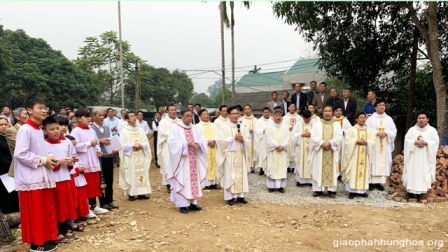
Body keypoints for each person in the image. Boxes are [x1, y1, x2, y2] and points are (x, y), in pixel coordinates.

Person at [14, 97, 58, 252]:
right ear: (29, 111)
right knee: (35, 211)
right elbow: (20, 154)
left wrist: (49, 157)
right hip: (31, 177)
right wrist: (43, 160)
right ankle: (36, 243)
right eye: (40, 108)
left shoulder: (38, 129)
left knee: (44, 209)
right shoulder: (26, 129)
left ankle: (44, 238)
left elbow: (37, 151)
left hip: (41, 174)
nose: (44, 110)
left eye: (45, 108)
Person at [43, 116, 78, 243]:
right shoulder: (44, 145)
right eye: (52, 129)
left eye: (57, 128)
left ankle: (64, 229)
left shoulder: (65, 143)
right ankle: (57, 232)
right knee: (56, 206)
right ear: (45, 131)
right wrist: (59, 162)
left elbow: (69, 158)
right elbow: (45, 164)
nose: (56, 131)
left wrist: (70, 162)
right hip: (53, 180)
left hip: (65, 177)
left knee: (65, 204)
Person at [167, 109, 207, 214]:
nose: (189, 118)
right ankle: (183, 205)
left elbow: (203, 140)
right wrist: (187, 144)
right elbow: (172, 144)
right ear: (182, 117)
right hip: (183, 161)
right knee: (183, 180)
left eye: (191, 116)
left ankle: (193, 203)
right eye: (187, 116)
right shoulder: (176, 129)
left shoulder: (195, 128)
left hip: (194, 160)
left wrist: (199, 144)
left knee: (193, 182)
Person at [71, 109, 108, 214]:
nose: (88, 118)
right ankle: (86, 207)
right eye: (85, 117)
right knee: (86, 185)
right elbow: (74, 146)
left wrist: (98, 150)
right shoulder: (76, 131)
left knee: (94, 183)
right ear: (78, 118)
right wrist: (88, 143)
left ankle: (94, 206)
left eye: (89, 116)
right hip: (84, 161)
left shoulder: (92, 130)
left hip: (93, 160)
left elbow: (96, 143)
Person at [216, 105, 251, 206]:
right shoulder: (225, 127)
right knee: (230, 175)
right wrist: (233, 138)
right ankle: (230, 197)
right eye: (234, 114)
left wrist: (243, 140)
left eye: (238, 113)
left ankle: (241, 196)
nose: (236, 115)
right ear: (229, 115)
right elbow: (221, 141)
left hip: (240, 153)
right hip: (230, 155)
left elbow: (248, 139)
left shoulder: (242, 126)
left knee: (241, 175)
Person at [402, 112, 439, 202]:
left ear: (427, 119)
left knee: (423, 172)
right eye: (419, 118)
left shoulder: (432, 130)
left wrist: (427, 143)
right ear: (417, 119)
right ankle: (410, 191)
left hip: (425, 156)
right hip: (413, 156)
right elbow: (407, 140)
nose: (421, 120)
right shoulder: (412, 130)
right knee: (411, 171)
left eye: (423, 118)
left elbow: (435, 142)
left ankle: (421, 193)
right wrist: (414, 142)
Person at [309, 105, 343, 198]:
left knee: (332, 169)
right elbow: (313, 136)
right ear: (322, 113)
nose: (327, 113)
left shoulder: (337, 125)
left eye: (329, 111)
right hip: (320, 151)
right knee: (318, 168)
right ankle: (317, 189)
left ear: (332, 113)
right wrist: (322, 143)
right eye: (325, 111)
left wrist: (330, 143)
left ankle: (331, 190)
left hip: (332, 150)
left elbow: (339, 137)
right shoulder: (317, 124)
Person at [119, 111, 152, 201]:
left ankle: (141, 193)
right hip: (130, 156)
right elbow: (121, 145)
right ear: (127, 119)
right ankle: (131, 193)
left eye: (134, 116)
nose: (134, 118)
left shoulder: (140, 130)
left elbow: (146, 142)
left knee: (141, 173)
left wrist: (142, 145)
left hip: (140, 155)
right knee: (131, 173)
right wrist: (133, 145)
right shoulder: (124, 132)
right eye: (131, 116)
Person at [342, 112, 375, 199]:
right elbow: (347, 141)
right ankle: (352, 191)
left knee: (363, 171)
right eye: (361, 117)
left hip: (364, 155)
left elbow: (373, 141)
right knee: (353, 171)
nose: (363, 119)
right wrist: (356, 141)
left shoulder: (369, 131)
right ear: (356, 119)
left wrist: (367, 142)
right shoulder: (351, 130)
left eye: (364, 117)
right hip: (354, 155)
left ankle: (362, 191)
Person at [365, 100, 397, 191]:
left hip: (385, 143)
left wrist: (386, 133)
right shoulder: (371, 119)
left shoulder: (389, 119)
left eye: (383, 105)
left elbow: (394, 131)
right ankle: (371, 182)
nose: (382, 106)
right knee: (373, 161)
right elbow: (367, 131)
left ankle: (379, 183)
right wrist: (377, 133)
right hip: (374, 144)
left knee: (383, 162)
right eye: (380, 105)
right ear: (376, 107)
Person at [90, 110, 119, 209]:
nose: (101, 117)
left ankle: (109, 200)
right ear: (94, 117)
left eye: (103, 115)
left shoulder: (107, 128)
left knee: (109, 179)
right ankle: (102, 202)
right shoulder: (91, 128)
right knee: (100, 180)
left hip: (108, 154)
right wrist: (99, 141)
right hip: (98, 156)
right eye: (99, 115)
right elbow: (91, 142)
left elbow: (111, 139)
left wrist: (114, 148)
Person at [265, 109, 289, 193]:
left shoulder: (285, 126)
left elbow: (288, 137)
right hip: (273, 150)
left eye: (280, 115)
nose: (278, 117)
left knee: (281, 168)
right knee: (272, 167)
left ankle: (281, 186)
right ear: (273, 117)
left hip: (282, 150)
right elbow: (268, 138)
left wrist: (283, 145)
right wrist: (277, 145)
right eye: (277, 115)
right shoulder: (269, 126)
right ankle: (271, 186)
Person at [196, 109, 221, 189]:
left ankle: (215, 182)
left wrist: (214, 140)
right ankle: (204, 183)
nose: (207, 115)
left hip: (214, 147)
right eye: (204, 114)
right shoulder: (197, 127)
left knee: (214, 164)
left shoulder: (214, 125)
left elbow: (218, 135)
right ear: (200, 116)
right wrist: (207, 142)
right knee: (204, 164)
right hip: (204, 149)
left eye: (207, 114)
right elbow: (197, 138)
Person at [157, 104, 179, 192]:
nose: (173, 111)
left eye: (175, 110)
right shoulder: (163, 122)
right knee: (168, 164)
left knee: (178, 164)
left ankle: (178, 183)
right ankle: (169, 184)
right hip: (167, 147)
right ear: (168, 111)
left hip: (178, 147)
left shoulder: (180, 121)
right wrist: (175, 134)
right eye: (171, 110)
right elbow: (163, 134)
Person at [0, 117, 19, 215]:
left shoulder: (9, 137)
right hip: (4, 170)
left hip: (14, 169)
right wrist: (12, 165)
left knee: (14, 192)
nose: (3, 127)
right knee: (5, 193)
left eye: (5, 124)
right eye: (1, 125)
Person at [291, 110, 314, 186]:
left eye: (308, 119)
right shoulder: (298, 124)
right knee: (300, 163)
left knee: (311, 162)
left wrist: (311, 134)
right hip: (301, 148)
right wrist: (301, 134)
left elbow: (318, 135)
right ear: (302, 117)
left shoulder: (315, 124)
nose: (307, 121)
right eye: (305, 119)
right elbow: (293, 136)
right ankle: (300, 180)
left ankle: (311, 181)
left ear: (310, 117)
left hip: (311, 149)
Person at [5, 107, 28, 177]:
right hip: (20, 167)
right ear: (17, 117)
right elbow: (21, 147)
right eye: (26, 114)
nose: (28, 116)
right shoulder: (12, 130)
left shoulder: (30, 129)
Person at [332, 106, 352, 177]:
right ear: (334, 112)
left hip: (343, 141)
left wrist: (343, 131)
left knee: (342, 156)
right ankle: (333, 171)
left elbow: (350, 130)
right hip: (333, 141)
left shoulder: (345, 120)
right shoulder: (331, 120)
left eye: (340, 110)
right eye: (337, 111)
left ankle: (340, 173)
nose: (338, 112)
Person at [283, 103, 302, 173]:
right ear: (288, 108)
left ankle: (294, 166)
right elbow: (283, 127)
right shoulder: (284, 118)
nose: (293, 108)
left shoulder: (299, 117)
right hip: (288, 136)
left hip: (296, 137)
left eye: (294, 106)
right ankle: (287, 166)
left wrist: (296, 130)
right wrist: (288, 128)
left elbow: (301, 126)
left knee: (295, 150)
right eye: (291, 106)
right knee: (288, 150)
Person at [254, 107, 271, 176]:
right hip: (262, 140)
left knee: (269, 155)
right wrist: (262, 130)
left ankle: (269, 168)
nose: (266, 113)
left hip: (270, 141)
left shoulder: (272, 120)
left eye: (267, 112)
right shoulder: (259, 121)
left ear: (269, 112)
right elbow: (256, 130)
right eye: (265, 112)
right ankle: (262, 168)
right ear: (262, 113)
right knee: (262, 154)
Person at [241, 104, 257, 173]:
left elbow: (258, 129)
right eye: (245, 109)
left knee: (253, 152)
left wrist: (253, 130)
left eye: (248, 109)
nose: (247, 110)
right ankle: (246, 166)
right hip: (245, 139)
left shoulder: (255, 119)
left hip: (253, 138)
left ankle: (252, 167)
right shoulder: (241, 119)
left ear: (251, 110)